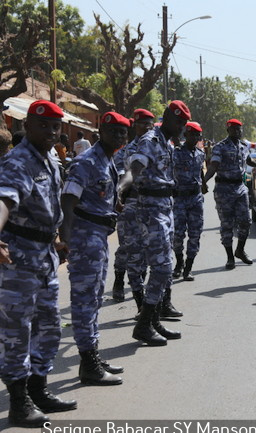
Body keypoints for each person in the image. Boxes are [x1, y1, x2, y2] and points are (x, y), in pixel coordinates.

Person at [0, 100, 76, 427]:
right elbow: (4, 199)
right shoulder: (18, 161)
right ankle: (19, 402)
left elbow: (53, 204)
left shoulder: (51, 161)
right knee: (17, 332)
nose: (50, 131)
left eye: (55, 126)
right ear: (27, 127)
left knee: (49, 327)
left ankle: (38, 389)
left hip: (44, 256)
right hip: (18, 259)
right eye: (43, 125)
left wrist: (60, 237)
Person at [60, 111, 130, 386]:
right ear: (101, 131)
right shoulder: (87, 160)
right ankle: (88, 363)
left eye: (123, 132)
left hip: (98, 235)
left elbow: (98, 193)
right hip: (85, 236)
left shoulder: (108, 160)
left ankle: (93, 355)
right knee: (84, 299)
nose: (119, 136)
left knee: (94, 297)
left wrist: (113, 205)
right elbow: (69, 196)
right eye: (114, 131)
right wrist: (65, 233)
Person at [118, 101, 189, 345]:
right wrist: (121, 187)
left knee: (164, 268)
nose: (180, 127)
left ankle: (154, 320)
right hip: (150, 210)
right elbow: (135, 167)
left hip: (165, 209)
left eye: (183, 123)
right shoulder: (151, 139)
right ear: (167, 116)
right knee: (162, 268)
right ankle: (144, 324)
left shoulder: (166, 142)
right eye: (177, 121)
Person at [111, 108, 154, 303]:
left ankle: (139, 286)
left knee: (147, 247)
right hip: (130, 203)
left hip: (152, 205)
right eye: (142, 123)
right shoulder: (126, 151)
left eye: (149, 123)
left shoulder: (158, 145)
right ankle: (119, 279)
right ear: (134, 126)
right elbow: (120, 174)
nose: (147, 127)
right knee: (126, 247)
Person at [203, 119, 254, 270]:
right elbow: (213, 166)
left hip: (240, 187)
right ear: (228, 130)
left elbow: (249, 160)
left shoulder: (244, 146)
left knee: (246, 221)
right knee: (227, 225)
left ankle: (240, 250)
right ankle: (230, 257)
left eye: (239, 129)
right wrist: (204, 181)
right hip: (224, 189)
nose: (238, 132)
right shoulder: (220, 147)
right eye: (234, 129)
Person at [173, 121, 207, 280]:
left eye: (197, 135)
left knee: (195, 234)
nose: (194, 137)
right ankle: (179, 262)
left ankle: (188, 267)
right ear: (185, 135)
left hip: (196, 199)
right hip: (180, 198)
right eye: (191, 134)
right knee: (178, 234)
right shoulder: (176, 153)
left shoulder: (201, 154)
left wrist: (204, 183)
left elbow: (200, 170)